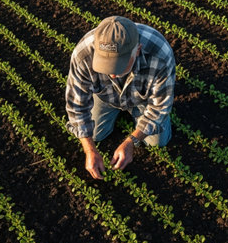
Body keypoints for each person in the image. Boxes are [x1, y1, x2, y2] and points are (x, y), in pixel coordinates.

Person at [65, 16, 176, 179]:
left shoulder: (160, 53)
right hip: (106, 96)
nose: (112, 74)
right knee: (93, 136)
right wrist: (89, 150)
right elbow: (76, 105)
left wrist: (131, 141)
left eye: (119, 65)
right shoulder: (83, 54)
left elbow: (160, 107)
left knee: (157, 142)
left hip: (142, 98)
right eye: (105, 65)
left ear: (137, 50)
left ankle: (135, 113)